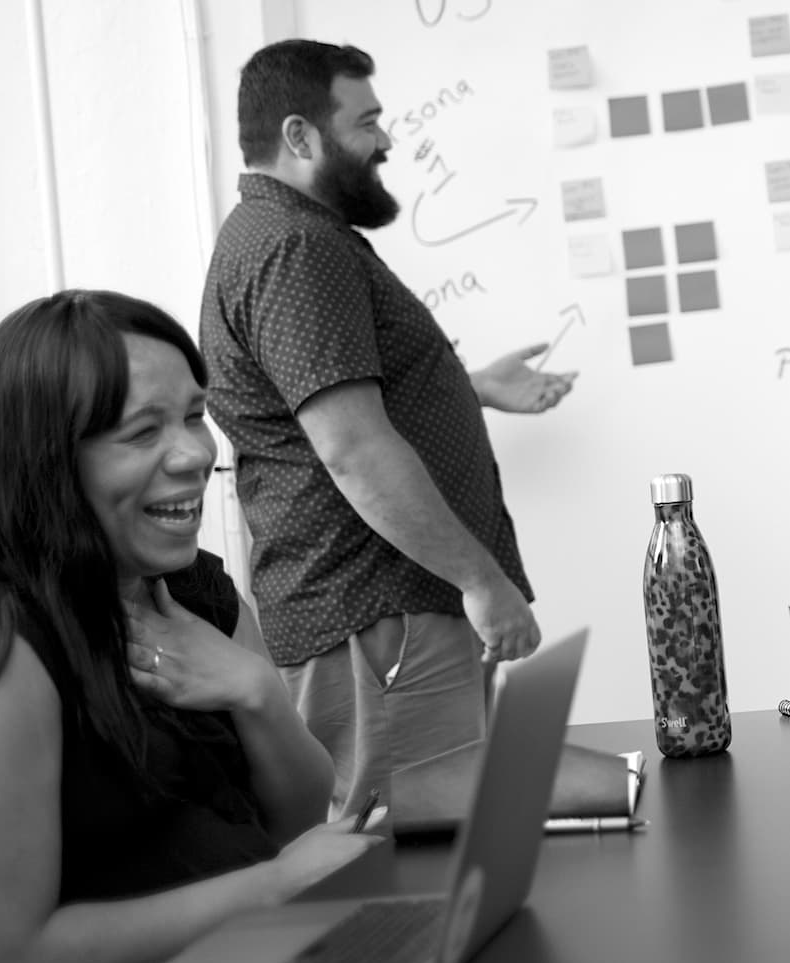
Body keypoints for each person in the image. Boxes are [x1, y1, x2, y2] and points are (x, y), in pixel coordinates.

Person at [0, 290, 383, 963]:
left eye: (195, 416)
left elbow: (294, 823)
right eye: (143, 433)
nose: (196, 453)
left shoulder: (191, 589)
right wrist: (273, 888)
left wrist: (255, 693)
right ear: (43, 461)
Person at [200, 39, 578, 821]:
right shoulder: (294, 247)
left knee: (437, 859)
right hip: (377, 618)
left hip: (385, 618)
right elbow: (350, 449)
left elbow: (334, 410)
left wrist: (468, 391)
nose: (386, 140)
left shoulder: (287, 238)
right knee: (411, 868)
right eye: (366, 120)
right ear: (301, 136)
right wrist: (481, 581)